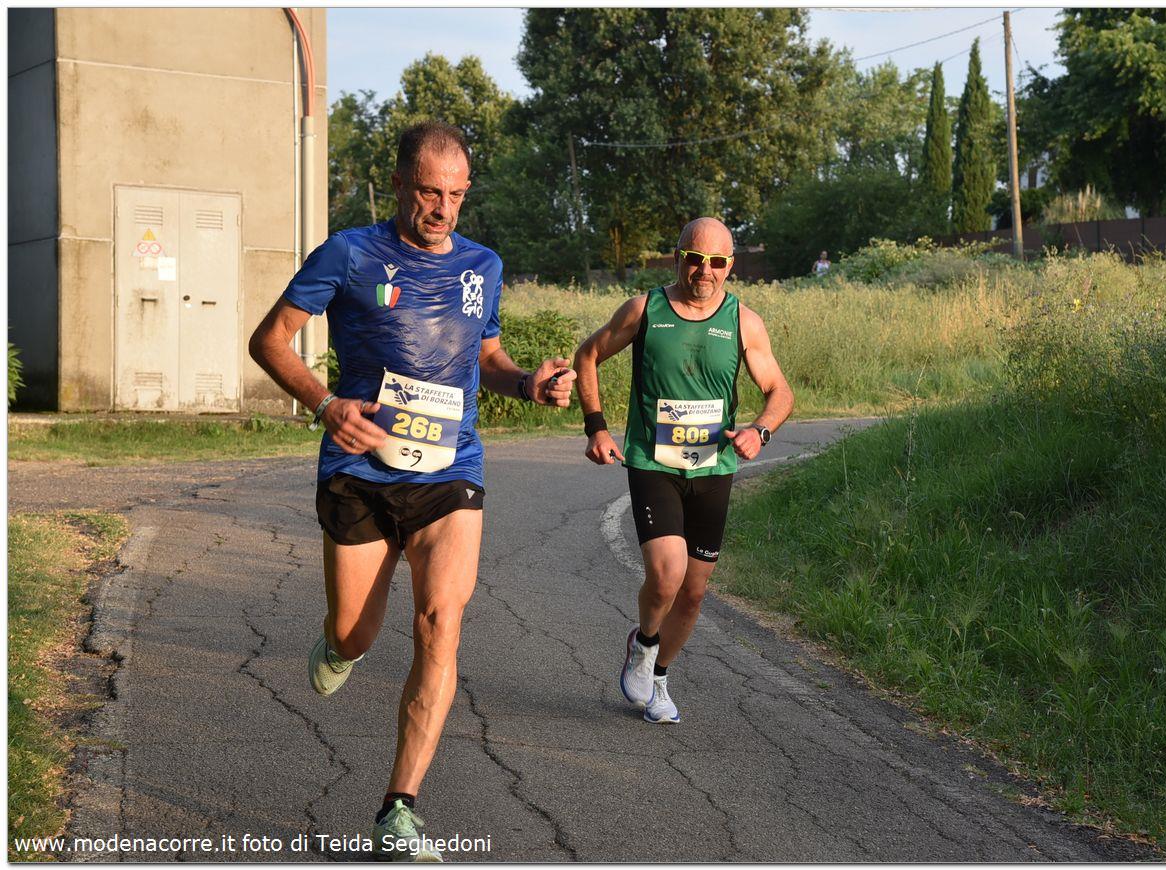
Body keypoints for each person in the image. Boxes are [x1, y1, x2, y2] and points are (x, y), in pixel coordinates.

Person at [249, 120, 575, 861]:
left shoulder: (482, 265)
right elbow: (269, 340)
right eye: (429, 192)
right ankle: (340, 646)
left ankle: (399, 810)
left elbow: (487, 358)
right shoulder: (348, 253)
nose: (442, 209)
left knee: (439, 623)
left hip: (449, 472)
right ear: (398, 184)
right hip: (360, 470)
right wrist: (326, 405)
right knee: (355, 633)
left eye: (456, 195)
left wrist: (528, 383)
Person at [573, 217, 794, 724]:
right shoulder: (644, 310)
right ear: (677, 259)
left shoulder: (744, 322)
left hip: (714, 467)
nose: (704, 270)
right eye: (695, 259)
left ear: (730, 266)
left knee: (692, 594)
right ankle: (645, 641)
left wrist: (759, 431)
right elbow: (587, 355)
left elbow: (779, 391)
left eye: (716, 262)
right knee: (666, 573)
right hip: (653, 462)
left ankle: (659, 677)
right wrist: (596, 428)